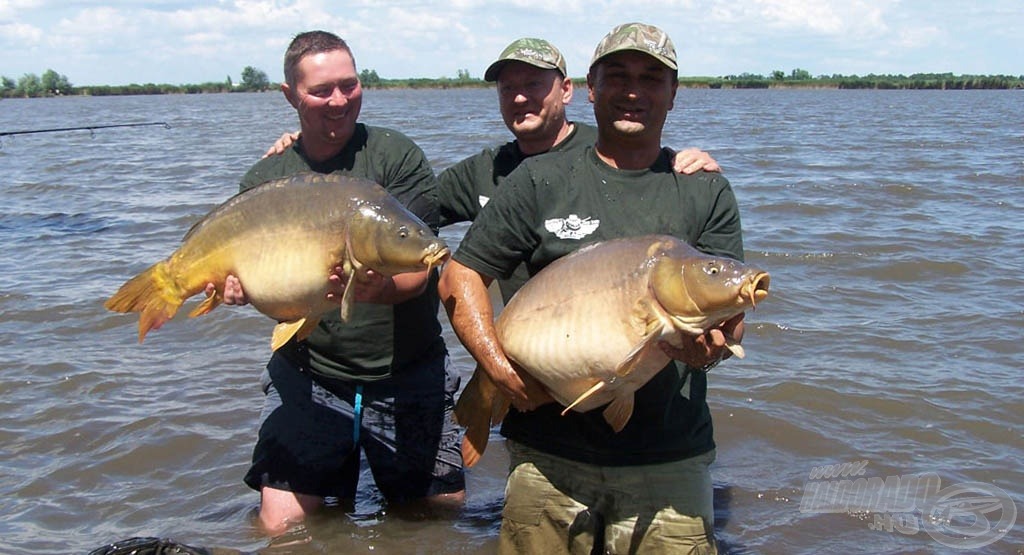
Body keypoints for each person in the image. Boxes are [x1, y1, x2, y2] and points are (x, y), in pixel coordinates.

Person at [438, 22, 744, 554]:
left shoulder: (705, 190)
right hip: (547, 456)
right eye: (618, 76)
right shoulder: (538, 179)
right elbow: (461, 274)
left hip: (668, 459)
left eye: (652, 78)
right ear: (592, 87)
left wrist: (705, 352)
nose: (633, 90)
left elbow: (729, 314)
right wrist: (498, 371)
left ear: (674, 93)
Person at [213, 30, 465, 536]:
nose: (338, 100)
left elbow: (418, 265)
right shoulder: (268, 178)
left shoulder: (396, 156)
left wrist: (381, 289)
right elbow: (276, 300)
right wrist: (241, 291)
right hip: (311, 374)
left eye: (349, 85)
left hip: (407, 371)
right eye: (321, 90)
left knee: (439, 523)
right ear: (289, 96)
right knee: (281, 527)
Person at [265, 37, 721, 301]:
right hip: (529, 344)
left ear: (566, 90)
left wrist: (685, 160)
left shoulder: (605, 154)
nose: (520, 97)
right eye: (508, 87)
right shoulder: (484, 172)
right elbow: (395, 217)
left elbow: (645, 175)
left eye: (533, 84)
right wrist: (303, 151)